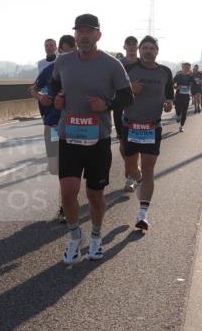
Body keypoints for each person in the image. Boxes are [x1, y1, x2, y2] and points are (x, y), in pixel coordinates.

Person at [41, 14, 133, 263]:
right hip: (69, 136)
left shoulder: (112, 65)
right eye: (79, 31)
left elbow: (127, 97)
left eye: (88, 31)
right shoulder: (63, 62)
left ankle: (95, 235)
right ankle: (74, 236)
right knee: (68, 191)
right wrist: (57, 98)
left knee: (94, 195)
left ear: (98, 35)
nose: (83, 35)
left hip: (98, 139)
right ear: (75, 35)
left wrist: (107, 104)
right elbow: (53, 86)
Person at [120, 36, 173, 231]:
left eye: (152, 48)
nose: (148, 51)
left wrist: (169, 104)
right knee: (131, 169)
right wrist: (129, 89)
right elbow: (114, 94)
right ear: (139, 50)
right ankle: (139, 180)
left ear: (157, 51)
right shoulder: (128, 70)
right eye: (145, 48)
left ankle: (143, 213)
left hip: (152, 127)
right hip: (131, 126)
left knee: (149, 168)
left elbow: (169, 96)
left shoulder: (165, 72)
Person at [33, 35, 76, 222]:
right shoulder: (50, 69)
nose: (67, 54)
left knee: (71, 167)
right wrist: (40, 97)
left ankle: (65, 206)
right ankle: (68, 200)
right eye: (64, 51)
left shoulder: (84, 70)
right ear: (59, 51)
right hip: (53, 124)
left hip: (77, 125)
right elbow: (33, 88)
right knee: (55, 167)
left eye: (71, 51)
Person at [113, 36, 144, 193]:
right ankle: (135, 170)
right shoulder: (119, 65)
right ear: (124, 47)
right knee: (123, 148)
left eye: (134, 44)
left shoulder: (143, 64)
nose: (131, 47)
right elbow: (111, 87)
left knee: (133, 147)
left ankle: (130, 179)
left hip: (138, 112)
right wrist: (129, 87)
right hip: (121, 111)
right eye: (129, 44)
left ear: (137, 47)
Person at [172, 62, 193, 132]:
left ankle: (181, 126)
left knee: (184, 112)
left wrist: (192, 77)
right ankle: (178, 115)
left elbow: (195, 83)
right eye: (185, 68)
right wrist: (176, 87)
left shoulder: (190, 76)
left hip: (186, 96)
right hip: (178, 95)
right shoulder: (178, 75)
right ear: (182, 68)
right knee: (178, 108)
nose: (187, 69)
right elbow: (172, 83)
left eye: (188, 68)